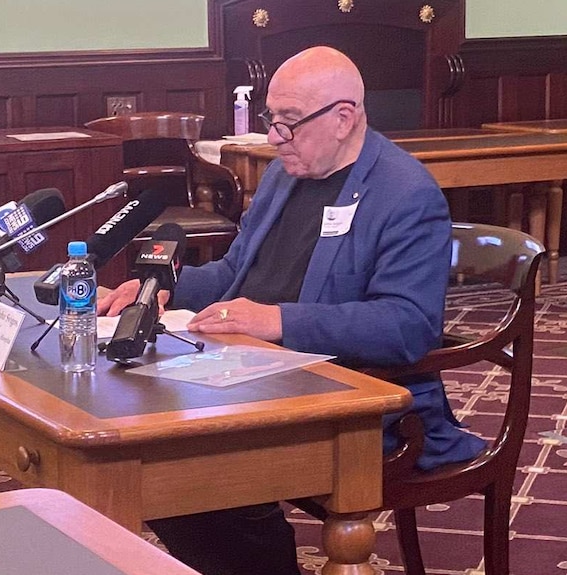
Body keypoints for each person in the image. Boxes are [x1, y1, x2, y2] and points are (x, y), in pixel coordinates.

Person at [97, 46, 486, 575]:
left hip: (355, 396)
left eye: (289, 123)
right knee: (147, 441)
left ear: (344, 117)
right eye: (270, 120)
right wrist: (161, 287)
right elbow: (235, 274)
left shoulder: (405, 193)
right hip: (254, 371)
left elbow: (408, 327)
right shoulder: (285, 175)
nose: (275, 137)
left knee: (190, 466)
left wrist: (276, 320)